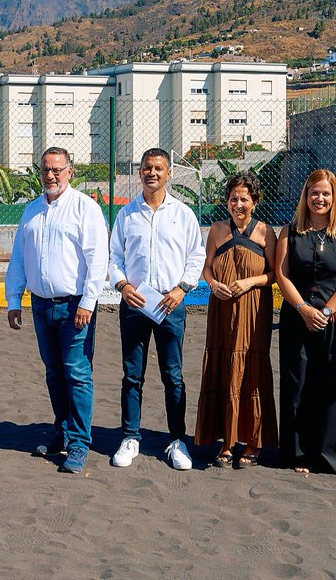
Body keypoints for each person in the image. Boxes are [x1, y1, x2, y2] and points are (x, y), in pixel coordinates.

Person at [7, 147, 109, 474]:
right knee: (53, 372)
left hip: (74, 306)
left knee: (77, 373)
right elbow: (20, 258)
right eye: (45, 170)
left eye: (56, 169)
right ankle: (62, 431)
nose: (50, 175)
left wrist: (88, 302)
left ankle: (79, 443)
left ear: (70, 171)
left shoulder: (85, 208)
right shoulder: (32, 211)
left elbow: (97, 259)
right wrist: (13, 300)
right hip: (40, 305)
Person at [108, 148, 205, 471]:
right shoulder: (127, 215)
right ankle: (130, 436)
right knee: (132, 375)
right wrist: (122, 285)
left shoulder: (183, 213)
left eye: (159, 168)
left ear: (169, 173)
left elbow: (196, 256)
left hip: (170, 304)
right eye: (147, 168)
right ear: (140, 173)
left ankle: (177, 440)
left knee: (173, 376)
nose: (152, 173)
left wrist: (182, 288)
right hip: (135, 303)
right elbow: (114, 258)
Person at [274, 169, 336, 476]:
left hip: (334, 320)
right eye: (314, 193)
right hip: (297, 317)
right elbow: (282, 274)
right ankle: (299, 454)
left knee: (334, 385)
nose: (319, 199)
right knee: (298, 385)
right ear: (305, 196)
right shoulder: (289, 232)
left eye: (326, 193)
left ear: (334, 197)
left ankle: (330, 455)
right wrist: (303, 309)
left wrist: (325, 312)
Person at [195, 172, 278, 469]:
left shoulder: (266, 233)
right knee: (224, 369)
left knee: (251, 371)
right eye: (233, 198)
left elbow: (275, 275)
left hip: (253, 310)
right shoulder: (217, 230)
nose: (238, 204)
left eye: (244, 198)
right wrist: (212, 284)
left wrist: (250, 282)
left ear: (254, 201)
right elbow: (207, 268)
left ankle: (253, 443)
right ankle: (227, 442)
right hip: (222, 311)